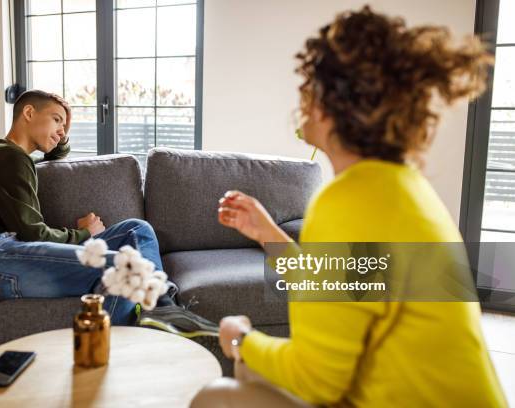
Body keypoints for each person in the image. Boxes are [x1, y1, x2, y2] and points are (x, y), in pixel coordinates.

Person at [192, 5, 507, 407]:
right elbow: (352, 287)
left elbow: (317, 380)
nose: (302, 95)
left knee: (216, 397)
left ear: (329, 104)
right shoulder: (400, 188)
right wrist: (267, 233)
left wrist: (239, 339)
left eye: (309, 83)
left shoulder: (345, 200)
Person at [0, 90, 215, 332]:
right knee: (122, 267)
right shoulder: (7, 157)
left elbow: (53, 154)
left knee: (137, 229)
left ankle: (161, 304)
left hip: (2, 253)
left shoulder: (11, 155)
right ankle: (128, 339)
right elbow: (32, 232)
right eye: (56, 120)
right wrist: (84, 233)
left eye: (64, 127)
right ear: (28, 113)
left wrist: (59, 131)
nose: (61, 132)